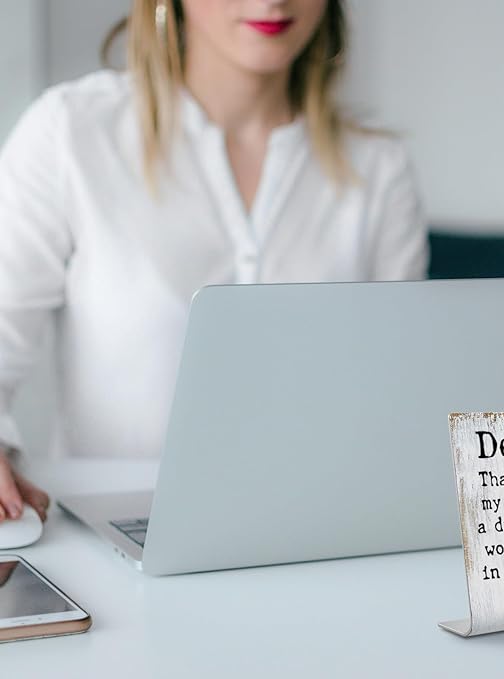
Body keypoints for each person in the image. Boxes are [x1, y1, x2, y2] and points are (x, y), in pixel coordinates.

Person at [0, 0, 428, 524]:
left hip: (320, 527)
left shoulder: (379, 169)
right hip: (108, 530)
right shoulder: (71, 132)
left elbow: (398, 395)